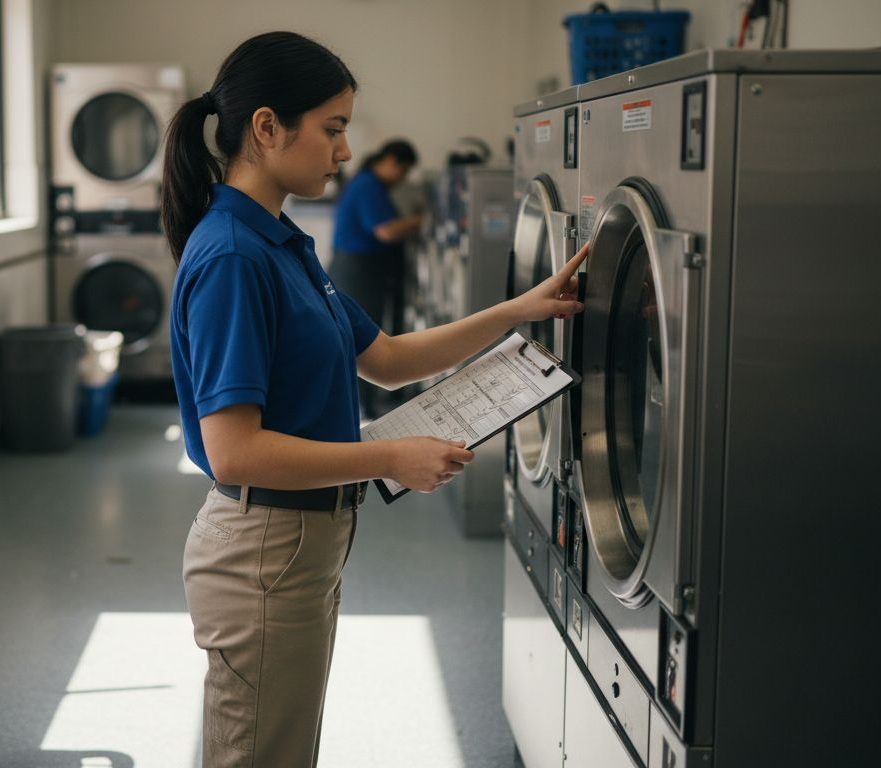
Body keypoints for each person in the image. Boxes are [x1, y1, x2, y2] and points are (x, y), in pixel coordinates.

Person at [162, 31, 586, 768]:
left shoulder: (280, 241)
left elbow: (386, 360)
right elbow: (235, 450)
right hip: (266, 546)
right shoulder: (233, 254)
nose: (345, 151)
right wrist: (390, 456)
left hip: (301, 541)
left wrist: (519, 310)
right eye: (331, 128)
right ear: (267, 129)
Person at [328, 139, 423, 416]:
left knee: (365, 336)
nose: (402, 179)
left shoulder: (369, 183)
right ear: (392, 161)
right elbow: (386, 231)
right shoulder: (367, 185)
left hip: (360, 268)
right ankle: (365, 408)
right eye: (403, 171)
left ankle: (367, 405)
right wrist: (420, 221)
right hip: (357, 271)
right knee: (365, 340)